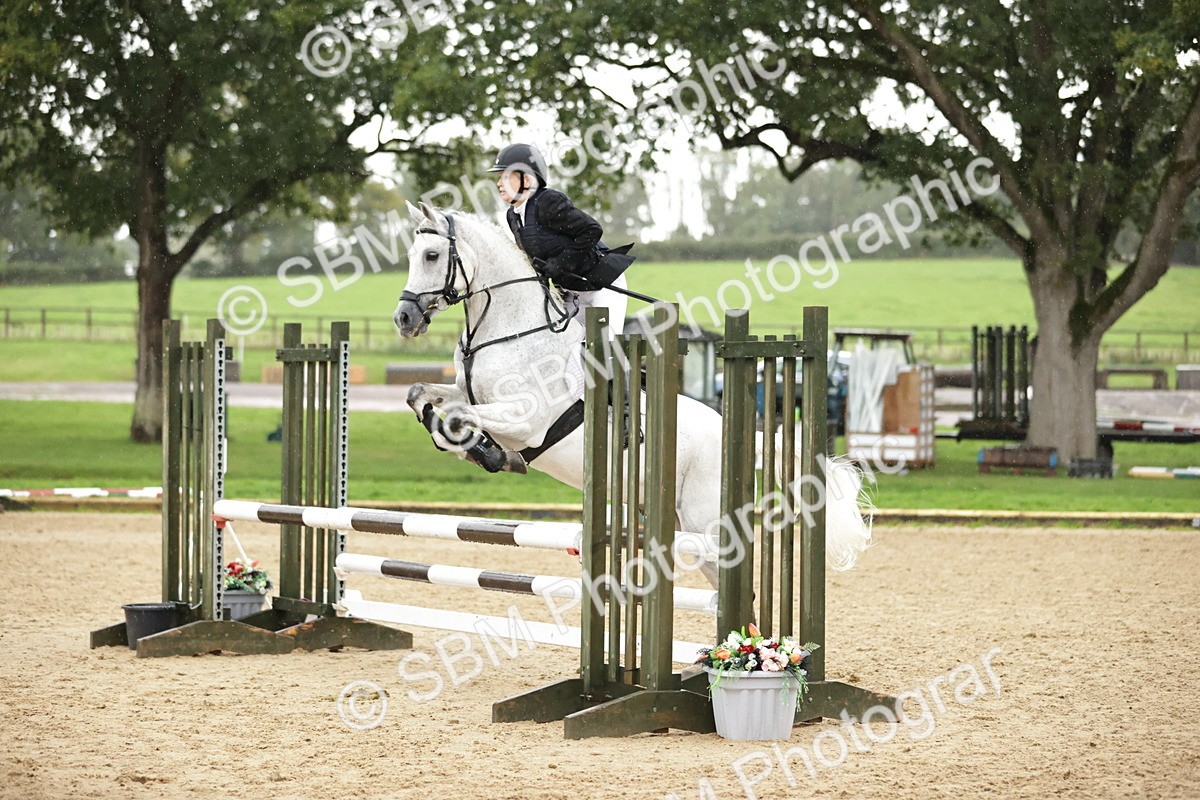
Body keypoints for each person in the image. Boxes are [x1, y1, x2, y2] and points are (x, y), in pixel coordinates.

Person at [487, 143, 634, 335]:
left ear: (527, 180)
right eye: (499, 177)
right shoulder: (513, 215)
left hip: (603, 285)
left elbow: (592, 230)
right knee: (566, 346)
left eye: (506, 177)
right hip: (571, 293)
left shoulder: (548, 202)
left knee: (603, 346)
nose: (499, 183)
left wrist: (561, 262)